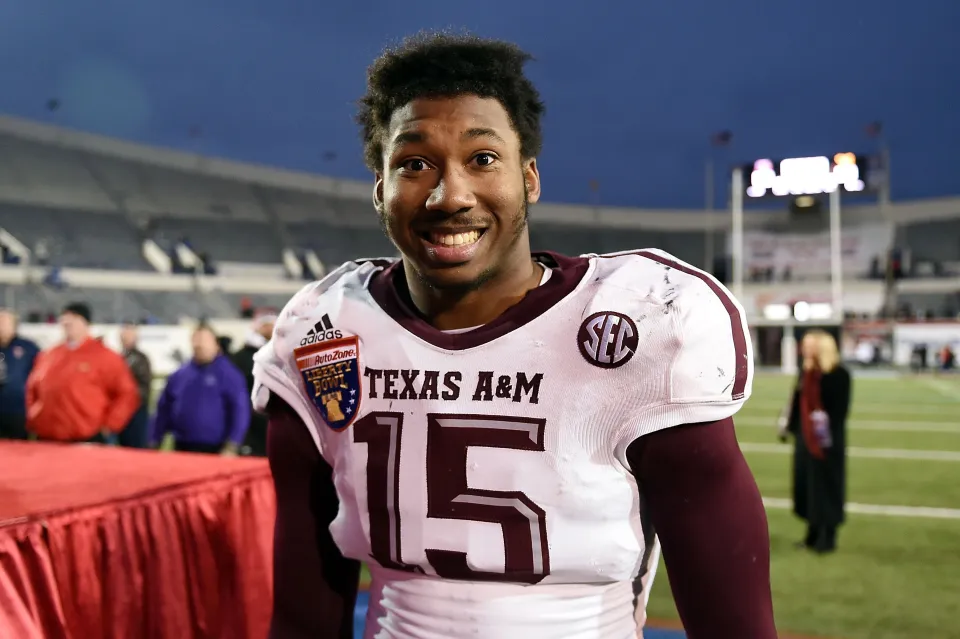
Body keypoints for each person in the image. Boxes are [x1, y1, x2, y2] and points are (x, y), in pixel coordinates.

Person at [253, 33, 776, 639]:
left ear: (529, 178)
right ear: (380, 190)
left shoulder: (642, 323)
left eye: (482, 159)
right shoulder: (326, 329)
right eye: (414, 163)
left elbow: (733, 622)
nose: (451, 196)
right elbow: (303, 609)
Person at [778, 329, 852, 554]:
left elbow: (839, 412)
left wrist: (821, 432)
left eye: (810, 345)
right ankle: (811, 534)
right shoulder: (807, 372)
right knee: (807, 488)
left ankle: (827, 537)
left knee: (826, 489)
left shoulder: (839, 375)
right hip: (805, 440)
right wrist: (788, 426)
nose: (804, 349)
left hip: (826, 442)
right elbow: (796, 402)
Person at [25, 303, 140, 443]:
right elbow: (32, 389)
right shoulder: (48, 355)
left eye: (73, 317)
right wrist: (34, 417)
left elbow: (126, 393)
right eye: (65, 318)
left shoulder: (105, 356)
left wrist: (110, 425)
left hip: (87, 436)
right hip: (48, 436)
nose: (67, 322)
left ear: (85, 322)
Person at [152, 324, 250, 455]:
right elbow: (163, 409)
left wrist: (233, 444)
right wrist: (155, 439)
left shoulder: (230, 375)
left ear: (216, 344)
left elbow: (240, 411)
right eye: (196, 340)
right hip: (182, 447)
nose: (199, 345)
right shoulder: (179, 375)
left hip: (215, 448)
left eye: (204, 340)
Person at [230, 312, 277, 456]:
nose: (269, 328)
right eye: (265, 324)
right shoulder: (240, 357)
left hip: (278, 423)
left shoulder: (286, 354)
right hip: (252, 426)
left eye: (272, 324)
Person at [0, 309, 40, 440]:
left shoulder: (28, 348)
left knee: (19, 452)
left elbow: (40, 375)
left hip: (19, 411)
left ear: (14, 325)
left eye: (5, 322)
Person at [118, 322, 153, 448]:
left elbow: (144, 386)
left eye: (129, 334)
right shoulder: (119, 357)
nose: (125, 337)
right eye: (124, 334)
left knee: (136, 447)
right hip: (120, 411)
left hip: (136, 411)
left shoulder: (141, 359)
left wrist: (127, 395)